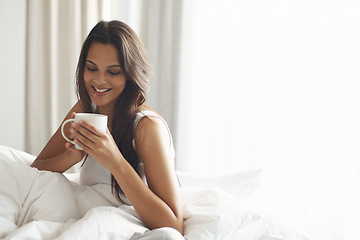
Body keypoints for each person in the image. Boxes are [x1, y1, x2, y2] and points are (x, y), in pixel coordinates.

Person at [30, 20, 184, 239]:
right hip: (86, 215)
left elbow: (173, 225)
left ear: (131, 74)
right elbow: (36, 169)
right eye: (91, 68)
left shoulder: (147, 128)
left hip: (123, 224)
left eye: (113, 72)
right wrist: (73, 156)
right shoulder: (87, 109)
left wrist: (115, 161)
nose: (99, 80)